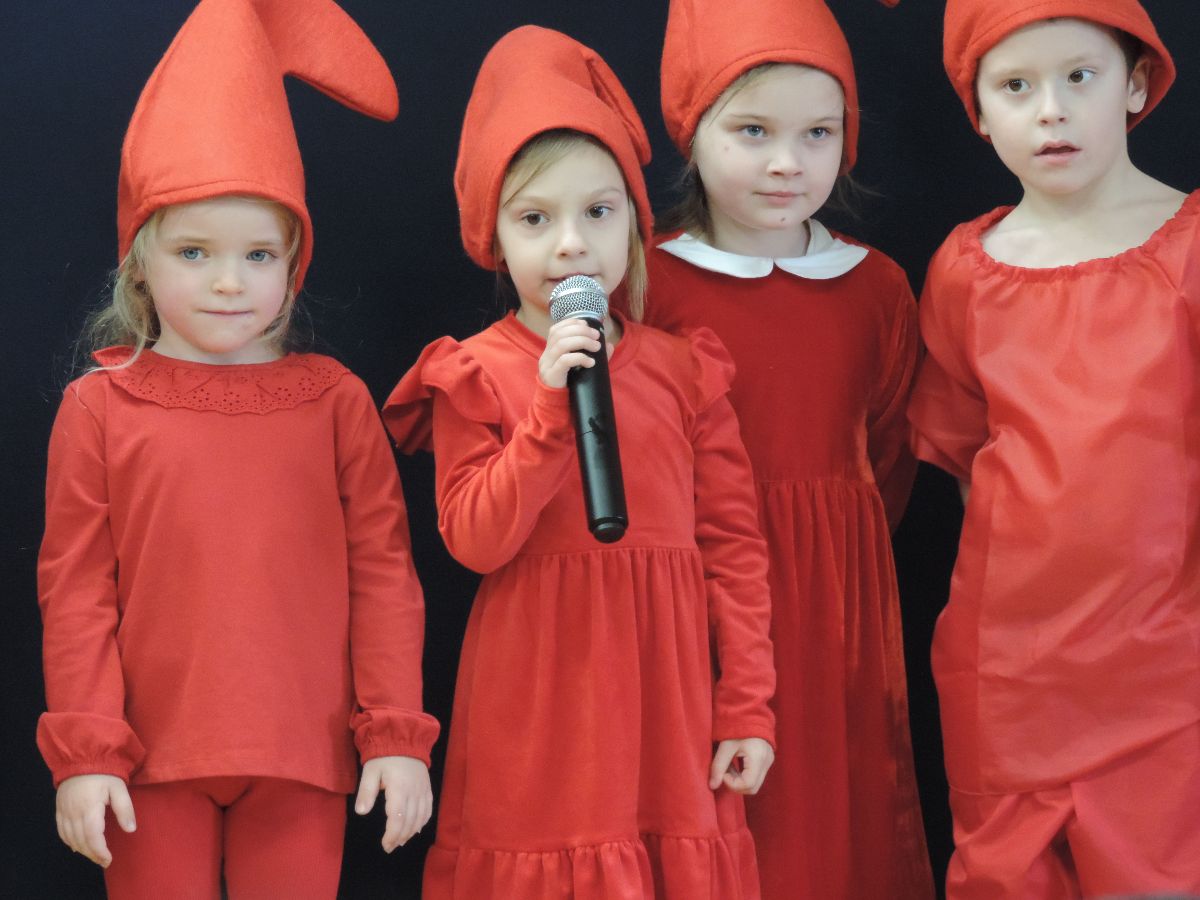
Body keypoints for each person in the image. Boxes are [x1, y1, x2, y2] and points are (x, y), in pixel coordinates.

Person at [36, 2, 439, 897]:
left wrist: (397, 732)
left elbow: (383, 573)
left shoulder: (335, 402)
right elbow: (76, 590)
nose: (228, 282)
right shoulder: (98, 407)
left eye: (259, 254)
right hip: (146, 762)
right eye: (194, 252)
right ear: (140, 263)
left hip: (303, 754)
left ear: (294, 263)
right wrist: (86, 749)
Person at [383, 25, 776, 899]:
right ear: (494, 238)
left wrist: (748, 704)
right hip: (541, 692)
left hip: (668, 698)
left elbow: (734, 550)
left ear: (635, 223)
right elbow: (474, 540)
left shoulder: (683, 371)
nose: (571, 243)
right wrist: (549, 413)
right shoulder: (474, 373)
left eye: (598, 212)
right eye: (536, 219)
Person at [642, 1, 934, 897]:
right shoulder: (647, 282)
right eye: (754, 131)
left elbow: (889, 445)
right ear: (693, 131)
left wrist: (834, 540)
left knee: (835, 812)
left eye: (818, 132)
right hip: (697, 591)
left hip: (838, 599)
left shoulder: (876, 286)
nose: (787, 162)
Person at [908, 0, 1200, 895]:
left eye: (1080, 76)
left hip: (1165, 667)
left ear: (1136, 84)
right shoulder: (964, 269)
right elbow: (968, 463)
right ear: (979, 111)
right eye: (1016, 86)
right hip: (1007, 675)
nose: (1051, 110)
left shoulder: (1189, 249)